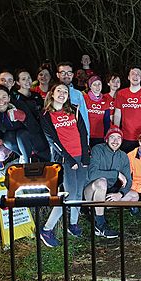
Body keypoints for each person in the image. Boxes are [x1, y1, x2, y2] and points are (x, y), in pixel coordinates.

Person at [39, 83, 90, 246]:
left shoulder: (73, 109)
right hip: (65, 159)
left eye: (65, 91)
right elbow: (53, 140)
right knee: (68, 195)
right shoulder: (46, 115)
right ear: (52, 94)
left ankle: (73, 224)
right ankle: (46, 229)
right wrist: (69, 159)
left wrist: (85, 155)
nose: (62, 93)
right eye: (59, 90)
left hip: (81, 156)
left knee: (78, 192)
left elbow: (83, 132)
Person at [83, 126, 139, 238]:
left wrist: (120, 194)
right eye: (112, 137)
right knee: (102, 182)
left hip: (106, 192)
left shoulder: (123, 156)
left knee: (134, 196)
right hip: (90, 191)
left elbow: (128, 181)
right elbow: (92, 174)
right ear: (106, 139)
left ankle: (95, 211)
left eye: (118, 138)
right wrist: (116, 174)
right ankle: (100, 225)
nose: (115, 141)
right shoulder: (98, 149)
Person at [0, 85, 45, 173]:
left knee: (21, 134)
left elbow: (36, 129)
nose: (1, 101)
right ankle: (25, 159)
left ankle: (28, 166)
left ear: (9, 98)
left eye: (4, 97)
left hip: (35, 142)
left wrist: (24, 118)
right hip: (18, 147)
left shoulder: (19, 105)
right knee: (8, 138)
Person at [113, 67, 141, 152]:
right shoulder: (121, 94)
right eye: (133, 74)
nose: (135, 76)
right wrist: (116, 131)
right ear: (128, 77)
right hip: (126, 136)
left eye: (138, 74)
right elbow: (117, 114)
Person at [56, 62, 90, 141]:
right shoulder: (51, 94)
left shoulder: (78, 94)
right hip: (59, 139)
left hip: (75, 138)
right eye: (63, 73)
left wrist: (86, 139)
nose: (66, 75)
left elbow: (84, 117)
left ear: (72, 75)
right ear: (58, 75)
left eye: (69, 73)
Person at [83, 75, 111, 147]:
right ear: (90, 86)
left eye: (99, 84)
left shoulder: (105, 99)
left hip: (100, 135)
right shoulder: (84, 98)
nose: (97, 87)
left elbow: (107, 120)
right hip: (87, 134)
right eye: (94, 85)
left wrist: (106, 134)